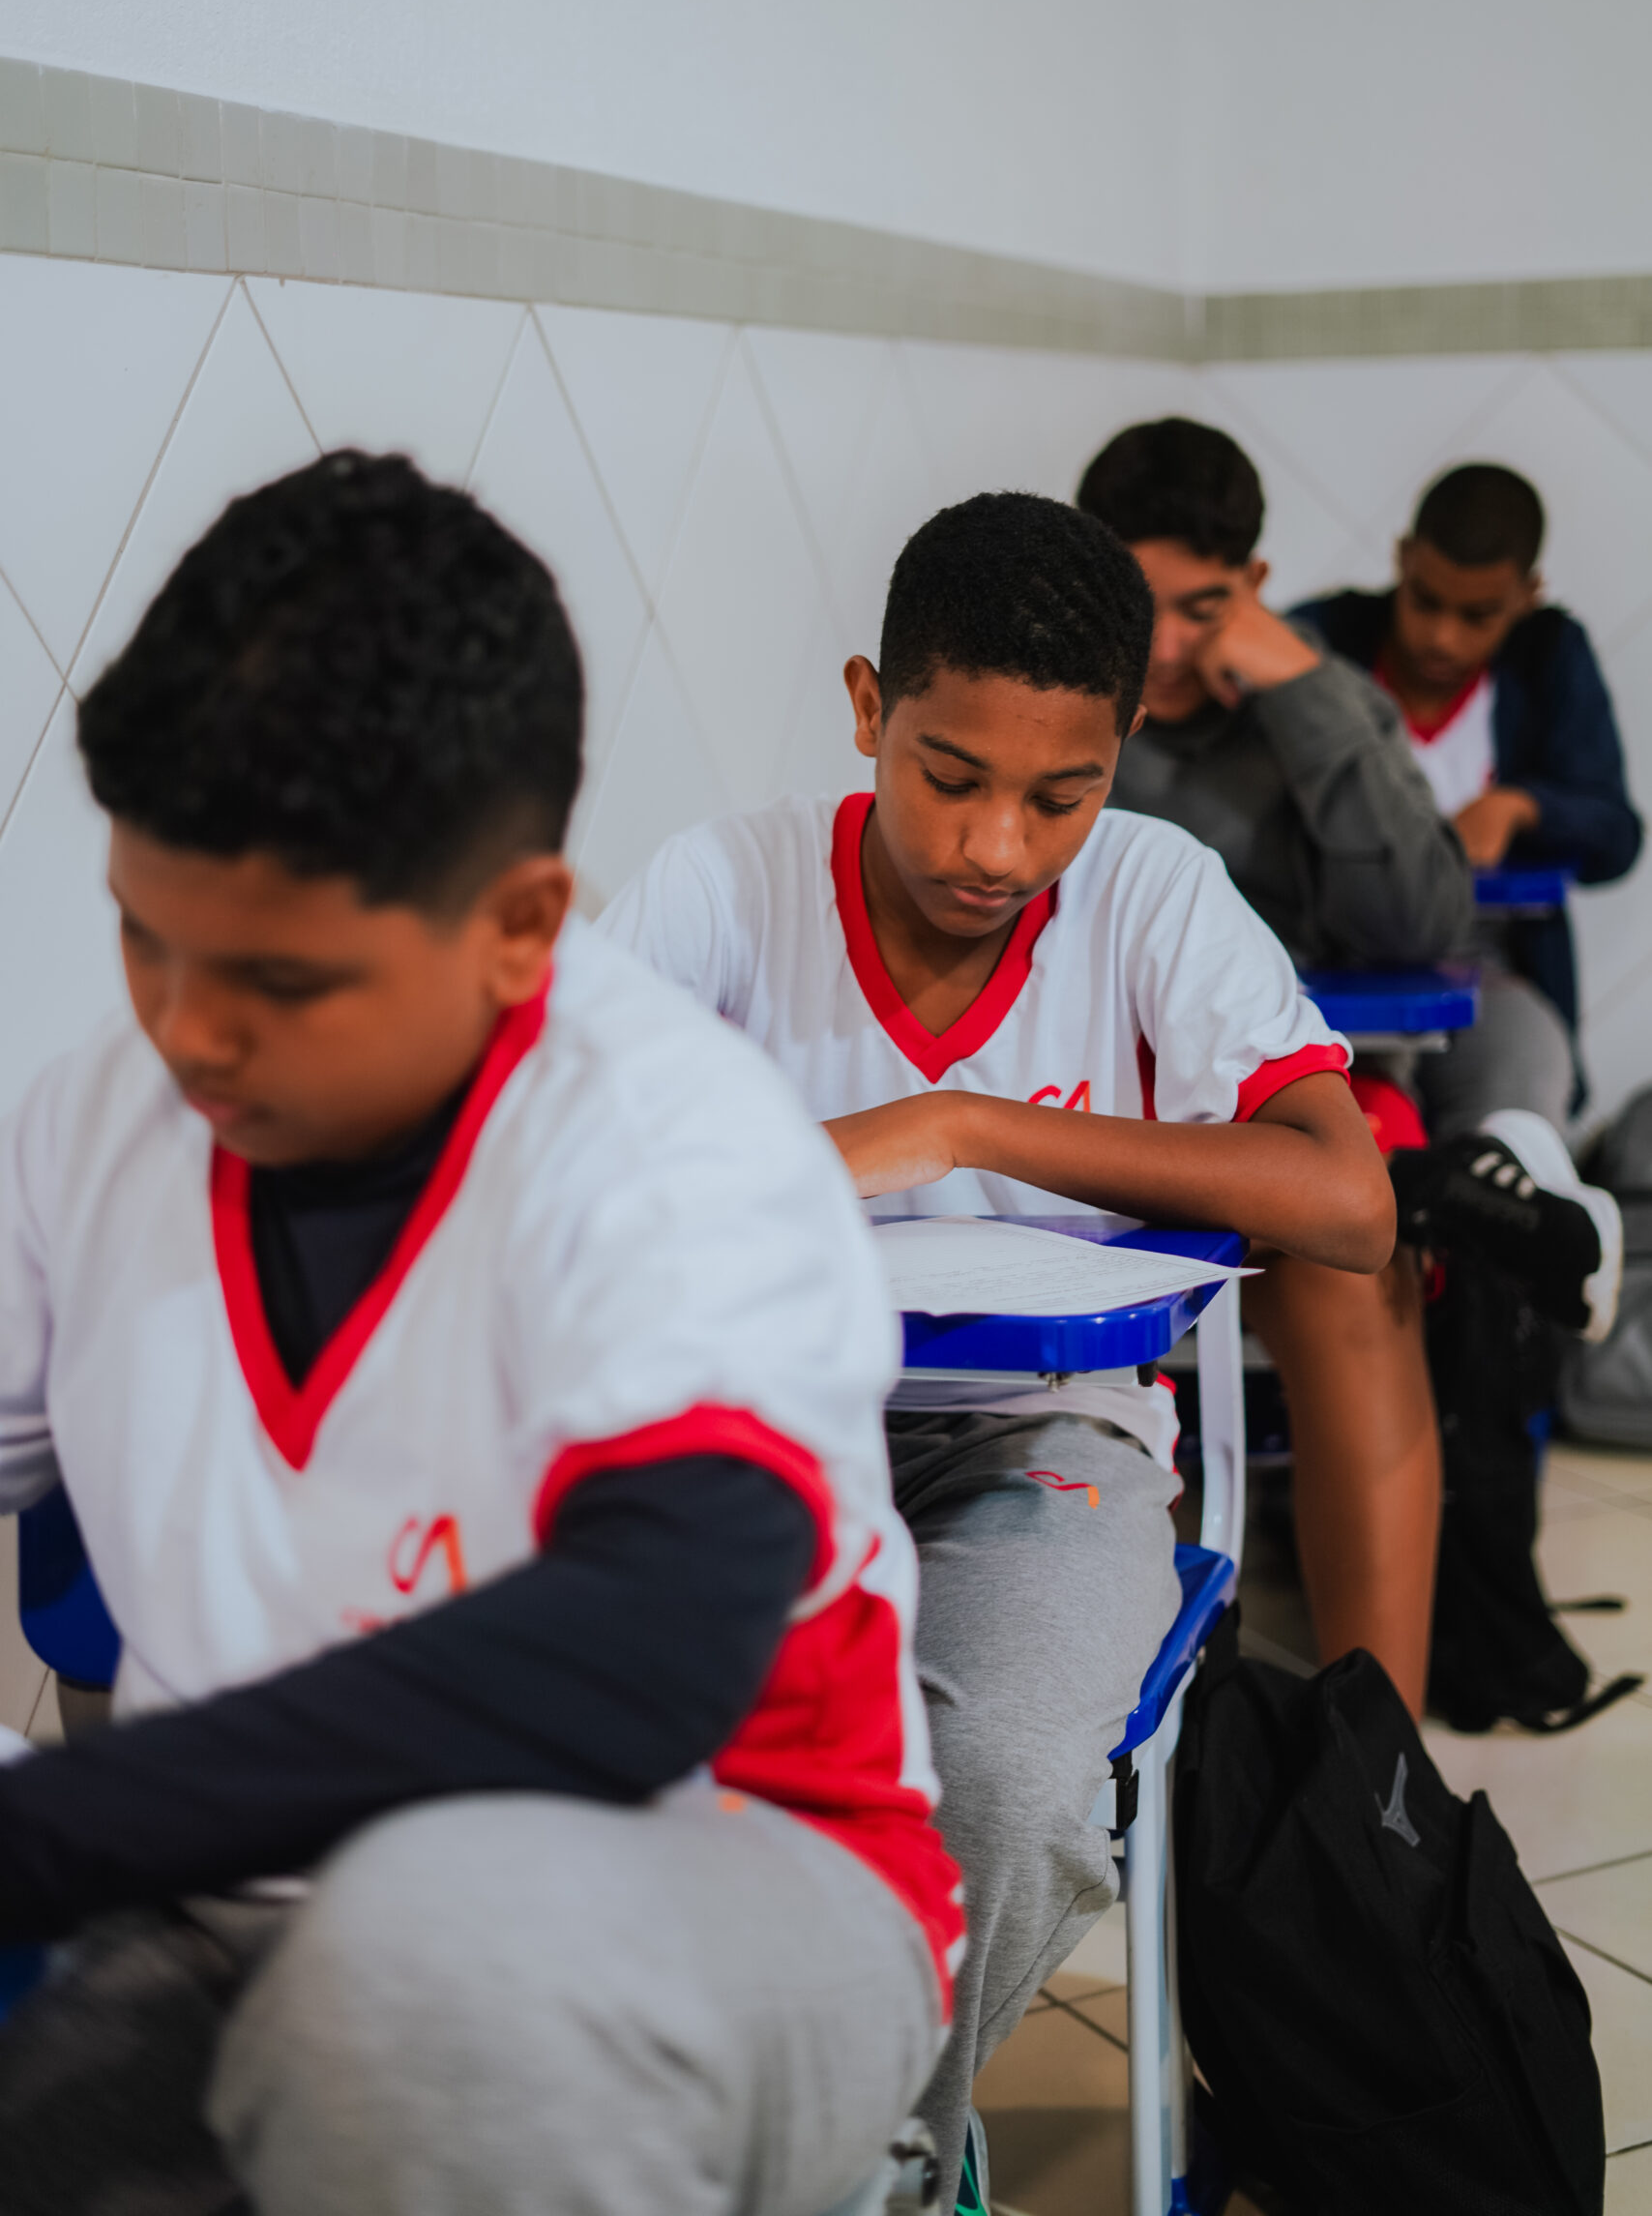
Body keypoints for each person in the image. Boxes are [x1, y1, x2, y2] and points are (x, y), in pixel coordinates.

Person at [0, 453, 960, 2216]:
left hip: (723, 1876)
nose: (189, 1033)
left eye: (281, 980)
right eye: (147, 940)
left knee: (428, 1974)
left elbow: (644, 1652)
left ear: (520, 927)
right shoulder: (93, 1121)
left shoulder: (673, 1145)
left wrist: (49, 1833)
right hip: (238, 1896)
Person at [598, 490, 1396, 2214]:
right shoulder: (724, 886)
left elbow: (1345, 1202)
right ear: (865, 707)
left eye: (1061, 794)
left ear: (1123, 753)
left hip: (1050, 1439)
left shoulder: (1154, 894)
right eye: (947, 775)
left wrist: (965, 1123)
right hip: (758, 1435)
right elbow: (546, 1175)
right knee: (600, 1736)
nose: (996, 848)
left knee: (1015, 1781)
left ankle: (883, 2157)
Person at [1077, 417, 1452, 1736]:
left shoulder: (1310, 707)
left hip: (1289, 1099)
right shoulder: (1052, 704)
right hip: (1095, 1106)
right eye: (1143, 607)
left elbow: (1422, 924)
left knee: (1353, 1267)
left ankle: (1377, 1761)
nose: (1171, 646)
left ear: (1254, 586)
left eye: (1205, 608)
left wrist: (1305, 695)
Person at [1295, 460, 1643, 1140]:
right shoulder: (1322, 642)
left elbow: (1615, 837)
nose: (1442, 637)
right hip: (1329, 962)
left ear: (1528, 595)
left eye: (1478, 616)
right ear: (1402, 560)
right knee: (1354, 1133)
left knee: (1518, 1095)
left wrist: (1519, 807)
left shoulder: (1548, 657)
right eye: (1425, 601)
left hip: (1485, 971)